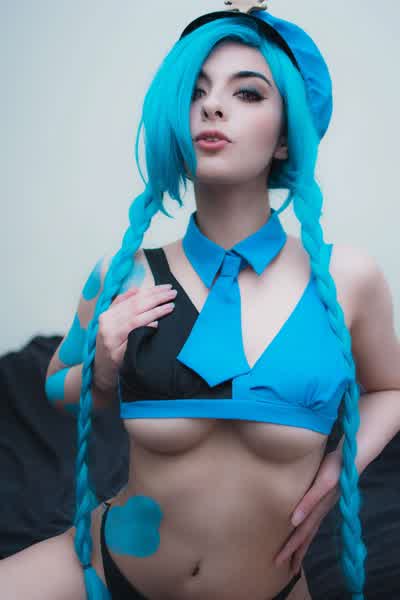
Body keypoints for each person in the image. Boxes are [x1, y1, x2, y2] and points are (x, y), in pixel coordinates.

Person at [2, 2, 399, 599]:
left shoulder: (347, 280)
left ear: (286, 136)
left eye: (247, 93)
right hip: (105, 571)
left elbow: (391, 390)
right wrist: (102, 367)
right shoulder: (122, 274)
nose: (212, 106)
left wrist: (340, 470)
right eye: (195, 92)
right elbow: (57, 388)